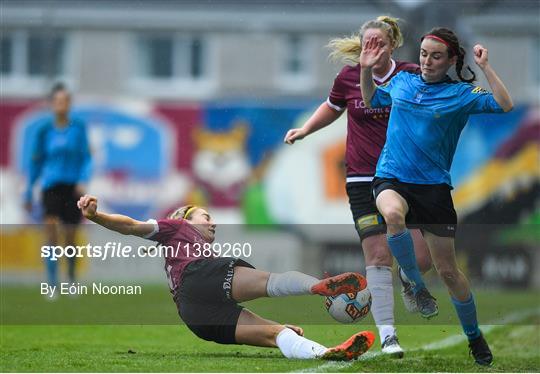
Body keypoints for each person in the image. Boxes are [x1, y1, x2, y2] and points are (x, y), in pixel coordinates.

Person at [359, 27, 513, 366]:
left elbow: (504, 104)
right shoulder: (402, 82)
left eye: (436, 56)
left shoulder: (460, 94)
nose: (427, 61)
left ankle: (474, 338)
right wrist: (365, 69)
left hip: (434, 190)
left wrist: (486, 67)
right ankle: (414, 283)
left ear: (451, 60)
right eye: (424, 54)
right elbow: (371, 99)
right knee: (393, 216)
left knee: (448, 271)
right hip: (391, 177)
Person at [284, 16, 432, 357]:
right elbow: (333, 106)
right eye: (367, 42)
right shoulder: (349, 76)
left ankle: (410, 280)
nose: (371, 48)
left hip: (402, 177)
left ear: (392, 44)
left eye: (378, 42)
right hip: (361, 179)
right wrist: (305, 130)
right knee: (377, 256)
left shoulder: (410, 74)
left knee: (421, 259)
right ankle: (389, 335)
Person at [76, 194, 375, 361]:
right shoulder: (174, 228)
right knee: (271, 281)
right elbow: (130, 226)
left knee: (277, 334)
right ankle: (317, 286)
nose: (212, 221)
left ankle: (327, 353)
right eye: (205, 217)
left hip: (194, 315)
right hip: (198, 277)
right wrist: (96, 216)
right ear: (185, 220)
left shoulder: (179, 246)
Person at [24, 83, 92, 290]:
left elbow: (86, 158)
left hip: (73, 188)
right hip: (50, 186)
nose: (61, 105)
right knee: (51, 232)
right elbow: (36, 162)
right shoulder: (44, 130)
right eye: (57, 101)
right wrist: (28, 190)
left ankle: (71, 279)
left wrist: (82, 179)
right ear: (52, 104)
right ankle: (52, 283)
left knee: (70, 236)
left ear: (69, 104)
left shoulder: (78, 128)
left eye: (65, 101)